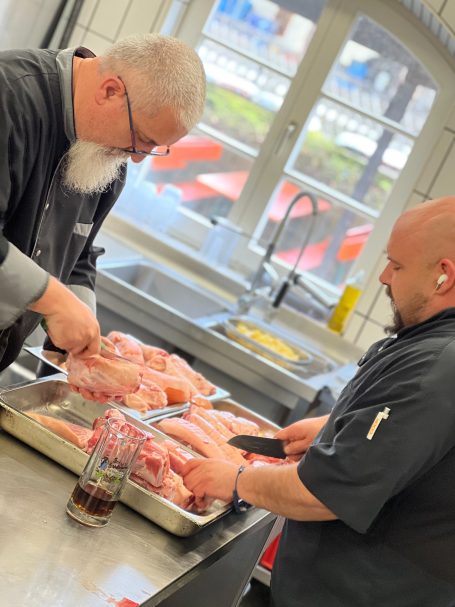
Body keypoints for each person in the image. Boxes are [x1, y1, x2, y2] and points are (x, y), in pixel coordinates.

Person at [182, 195, 455, 606]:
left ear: (443, 276)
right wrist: (338, 426)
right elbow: (410, 441)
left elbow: (324, 493)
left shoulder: (437, 366)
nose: (384, 277)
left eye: (397, 266)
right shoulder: (436, 345)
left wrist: (236, 480)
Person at [0, 33, 205, 372]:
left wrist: (84, 340)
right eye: (142, 139)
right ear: (110, 91)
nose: (137, 158)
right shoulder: (9, 95)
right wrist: (55, 300)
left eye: (154, 148)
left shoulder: (106, 154)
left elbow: (78, 255)